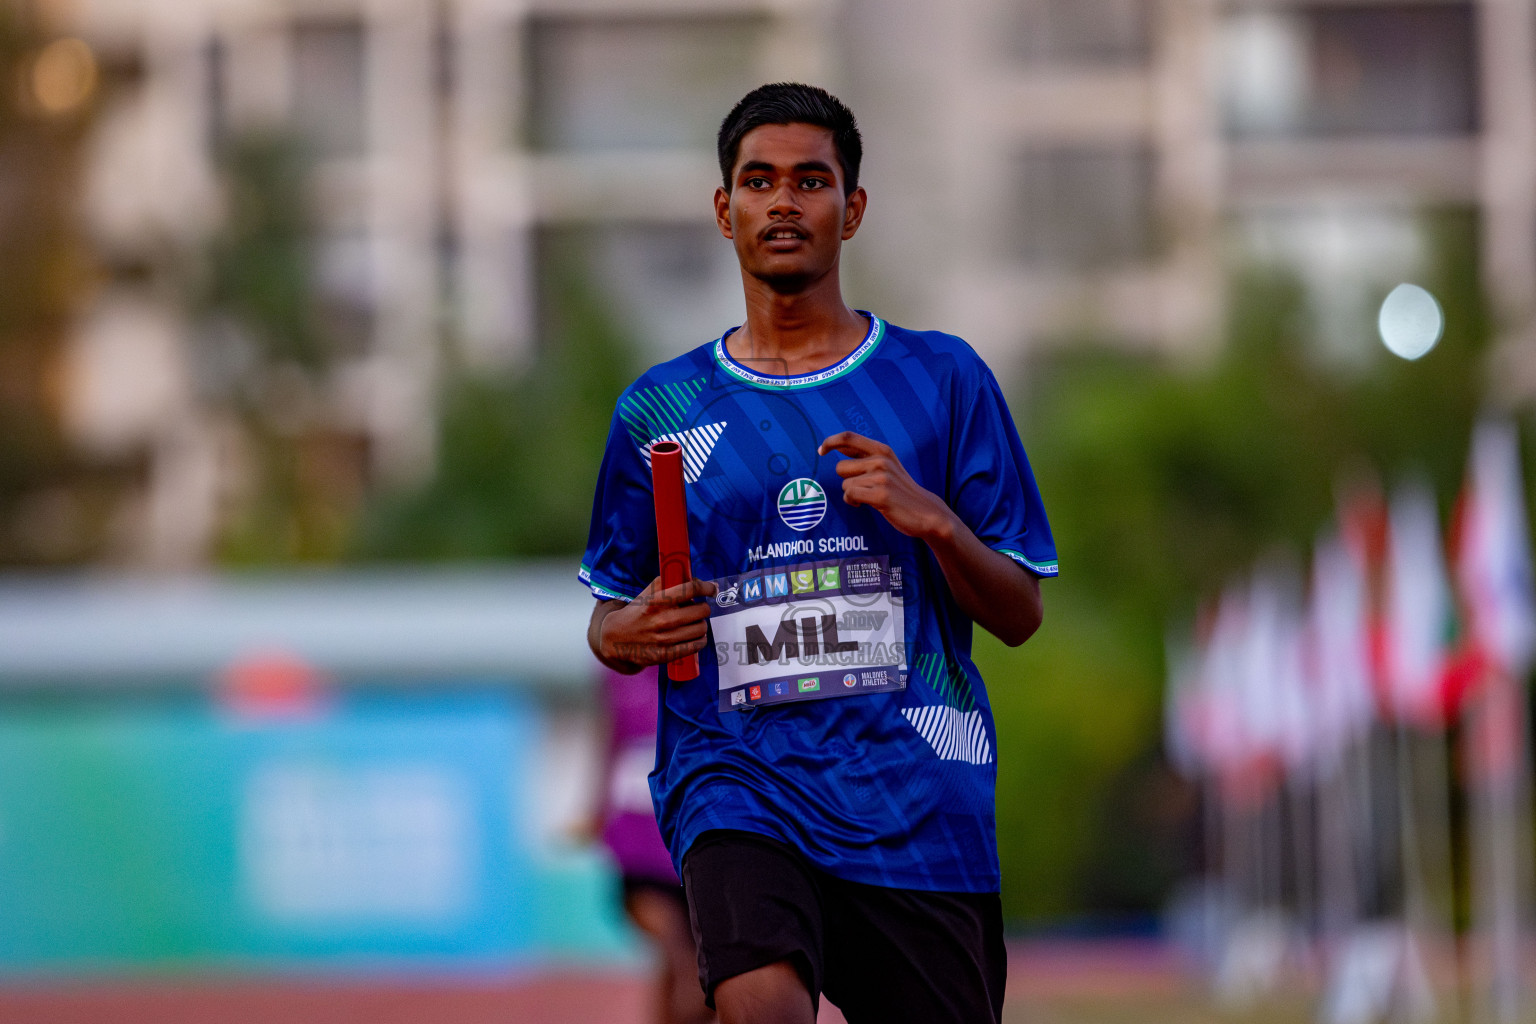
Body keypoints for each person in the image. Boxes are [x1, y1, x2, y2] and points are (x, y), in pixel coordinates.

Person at [579, 82, 1057, 1024]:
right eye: (759, 181)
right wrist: (620, 634)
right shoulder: (661, 411)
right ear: (726, 210)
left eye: (811, 180)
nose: (784, 202)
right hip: (738, 779)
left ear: (854, 208)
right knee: (760, 1002)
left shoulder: (941, 379)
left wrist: (935, 523)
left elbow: (1020, 613)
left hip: (916, 799)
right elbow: (610, 613)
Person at [594, 663, 715, 1024]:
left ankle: (689, 977)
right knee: (683, 959)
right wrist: (596, 805)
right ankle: (688, 971)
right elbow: (610, 734)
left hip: (692, 823)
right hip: (637, 832)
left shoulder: (708, 650)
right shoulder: (618, 666)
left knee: (692, 963)